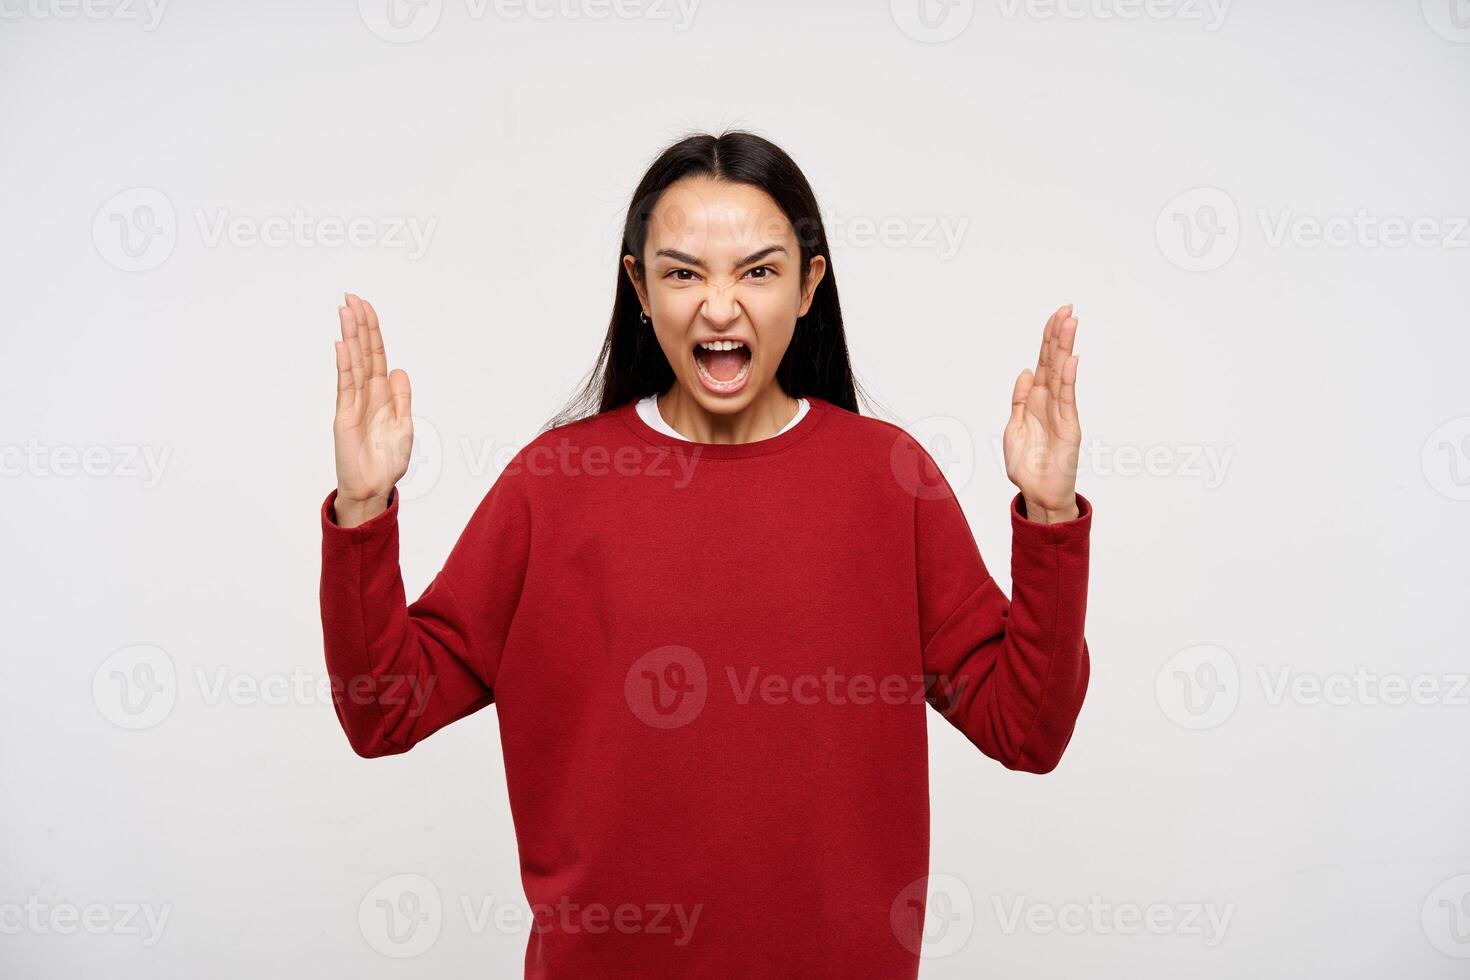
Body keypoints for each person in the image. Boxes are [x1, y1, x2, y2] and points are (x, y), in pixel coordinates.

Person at [319, 130, 1092, 979]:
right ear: (639, 288)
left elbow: (1028, 729)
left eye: (758, 271)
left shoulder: (889, 479)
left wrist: (1048, 515)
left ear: (809, 285)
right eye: (683, 272)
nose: (719, 307)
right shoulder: (556, 483)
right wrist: (365, 508)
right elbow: (383, 712)